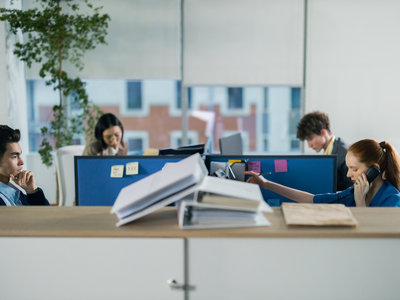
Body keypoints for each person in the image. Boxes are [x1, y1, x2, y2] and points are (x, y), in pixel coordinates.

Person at [245, 139, 400, 207]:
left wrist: (360, 202)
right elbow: (311, 199)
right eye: (348, 168)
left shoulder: (392, 200)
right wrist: (266, 184)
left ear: (374, 169)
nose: (348, 175)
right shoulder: (355, 192)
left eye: (354, 169)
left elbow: (373, 241)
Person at [297, 111, 353, 191]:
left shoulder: (344, 153)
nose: (309, 145)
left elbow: (351, 190)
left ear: (323, 132)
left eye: (310, 139)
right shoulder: (328, 152)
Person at [0, 125, 49, 206]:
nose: (22, 162)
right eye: (14, 157)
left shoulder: (14, 193)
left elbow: (47, 216)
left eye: (20, 155)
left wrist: (32, 191)